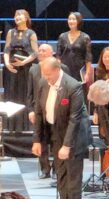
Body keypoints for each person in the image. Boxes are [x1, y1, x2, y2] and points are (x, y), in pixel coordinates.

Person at [32, 57, 91, 199]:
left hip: (73, 137)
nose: (46, 77)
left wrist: (67, 145)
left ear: (58, 70)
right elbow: (39, 112)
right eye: (44, 74)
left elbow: (74, 119)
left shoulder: (73, 86)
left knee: (72, 177)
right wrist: (37, 140)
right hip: (55, 133)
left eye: (48, 74)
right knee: (61, 174)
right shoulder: (43, 83)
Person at [27, 44, 69, 179]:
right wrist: (31, 110)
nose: (41, 52)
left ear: (52, 53)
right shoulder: (33, 70)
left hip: (58, 112)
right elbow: (30, 93)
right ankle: (45, 169)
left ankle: (57, 169)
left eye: (44, 50)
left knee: (57, 141)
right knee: (41, 139)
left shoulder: (62, 69)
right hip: (40, 111)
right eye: (39, 50)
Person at [3, 9, 38, 132]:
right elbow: (7, 50)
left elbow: (35, 53)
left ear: (26, 18)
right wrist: (7, 63)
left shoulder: (31, 33)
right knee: (11, 94)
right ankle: (10, 126)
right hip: (11, 67)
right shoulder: (10, 32)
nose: (17, 17)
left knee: (24, 94)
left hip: (25, 67)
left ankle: (24, 126)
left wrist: (23, 62)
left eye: (20, 15)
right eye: (15, 15)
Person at [57, 12, 92, 83]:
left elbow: (88, 57)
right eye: (69, 19)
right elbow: (58, 55)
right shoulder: (62, 36)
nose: (71, 21)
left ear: (79, 21)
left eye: (73, 19)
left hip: (78, 70)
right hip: (64, 69)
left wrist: (87, 73)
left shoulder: (85, 37)